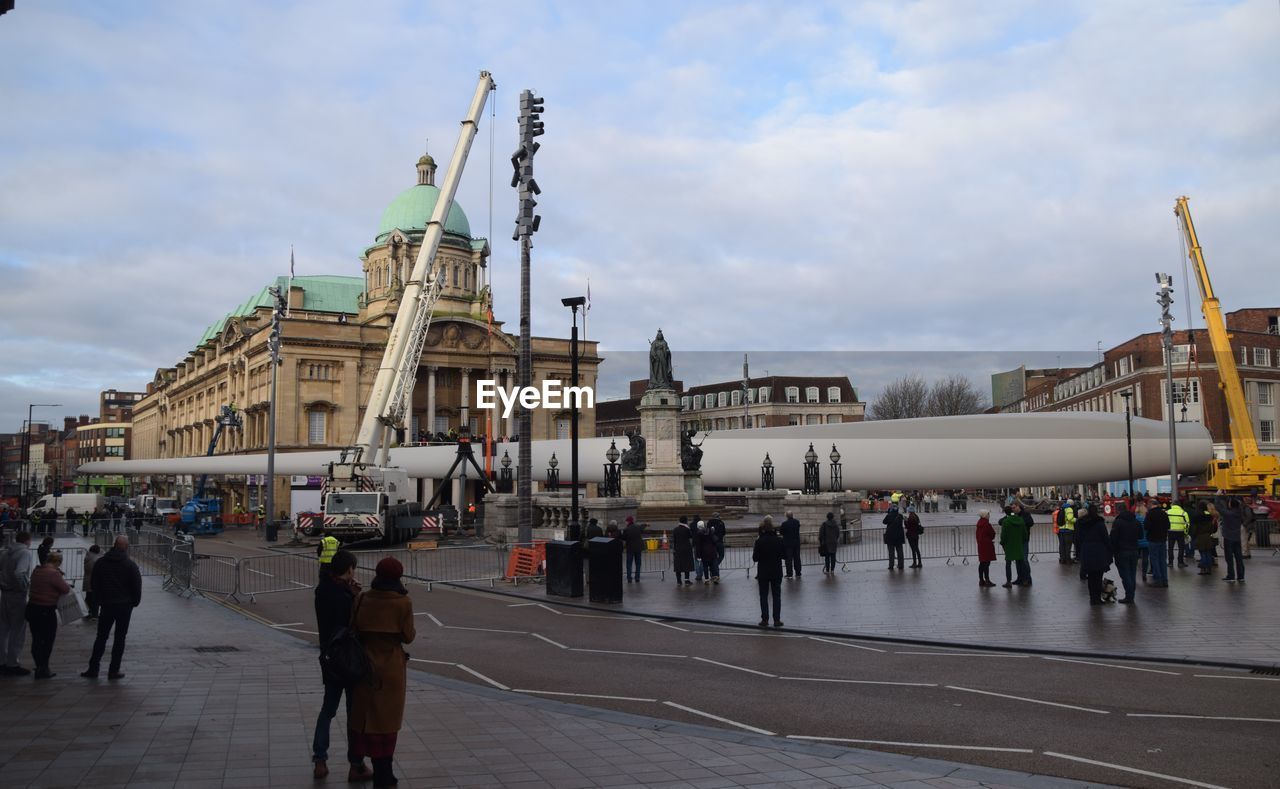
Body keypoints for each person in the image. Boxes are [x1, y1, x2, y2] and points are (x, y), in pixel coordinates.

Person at [349, 557, 416, 788]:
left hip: (365, 666)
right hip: (391, 668)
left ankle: (376, 771)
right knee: (387, 724)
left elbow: (353, 627)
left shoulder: (362, 598)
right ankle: (385, 774)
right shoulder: (403, 603)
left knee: (368, 722)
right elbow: (408, 636)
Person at [312, 550, 373, 782]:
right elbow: (354, 623)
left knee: (327, 710)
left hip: (329, 658)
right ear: (349, 570)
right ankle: (356, 764)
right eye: (353, 569)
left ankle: (320, 759)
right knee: (353, 714)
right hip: (348, 658)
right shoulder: (345, 596)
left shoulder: (322, 590)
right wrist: (355, 596)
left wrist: (349, 591)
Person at [81, 535, 142, 680]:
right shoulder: (130, 565)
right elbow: (136, 586)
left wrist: (99, 600)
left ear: (114, 545)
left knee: (101, 637)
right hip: (124, 606)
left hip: (107, 605)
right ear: (126, 547)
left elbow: (95, 583)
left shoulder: (101, 563)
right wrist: (134, 602)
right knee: (120, 638)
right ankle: (114, 670)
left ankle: (93, 668)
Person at [26, 549, 71, 679]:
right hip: (46, 610)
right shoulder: (53, 574)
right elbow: (65, 589)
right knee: (47, 640)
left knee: (36, 638)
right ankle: (43, 667)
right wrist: (59, 575)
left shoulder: (37, 570)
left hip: (32, 608)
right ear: (57, 562)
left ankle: (38, 664)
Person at [0, 531, 36, 676]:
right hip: (17, 595)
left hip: (5, 594)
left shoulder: (5, 553)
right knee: (18, 630)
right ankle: (13, 663)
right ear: (28, 540)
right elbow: (20, 572)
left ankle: (1, 660)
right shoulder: (24, 553)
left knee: (3, 629)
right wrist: (25, 587)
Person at [1075, 504, 1112, 605]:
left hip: (1087, 551)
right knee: (1098, 576)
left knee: (1090, 577)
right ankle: (1097, 598)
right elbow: (1105, 538)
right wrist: (1110, 551)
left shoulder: (1081, 523)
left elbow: (1078, 538)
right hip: (1099, 551)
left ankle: (1092, 598)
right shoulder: (1099, 523)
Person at [752, 517, 785, 628]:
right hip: (776, 571)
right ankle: (777, 619)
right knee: (776, 596)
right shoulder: (779, 540)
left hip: (763, 572)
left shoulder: (759, 541)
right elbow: (784, 556)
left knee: (763, 596)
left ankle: (765, 619)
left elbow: (755, 558)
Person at [1109, 502, 1141, 604]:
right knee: (1132, 573)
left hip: (1121, 551)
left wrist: (1112, 550)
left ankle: (1129, 595)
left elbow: (1113, 538)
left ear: (1118, 510)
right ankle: (1131, 595)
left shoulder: (1117, 522)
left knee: (1125, 574)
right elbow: (1140, 535)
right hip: (1134, 550)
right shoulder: (1135, 521)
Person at [1213, 496, 1245, 583]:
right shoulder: (1239, 512)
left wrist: (1217, 496)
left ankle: (1231, 576)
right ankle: (1241, 576)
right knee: (1239, 558)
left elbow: (1218, 507)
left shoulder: (1229, 514)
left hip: (1228, 537)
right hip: (1237, 538)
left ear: (1231, 504)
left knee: (1229, 558)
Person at [998, 507, 1029, 588]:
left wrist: (1002, 542)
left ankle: (1009, 582)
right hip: (1019, 544)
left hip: (1009, 545)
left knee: (1008, 564)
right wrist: (1023, 540)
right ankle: (1025, 580)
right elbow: (1025, 534)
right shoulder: (1020, 520)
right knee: (1022, 562)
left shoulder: (1006, 521)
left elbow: (1003, 534)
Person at [1143, 499, 1171, 588]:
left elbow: (1146, 526)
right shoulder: (1164, 513)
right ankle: (1165, 580)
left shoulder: (1150, 514)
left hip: (1153, 539)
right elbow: (1168, 526)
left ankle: (1158, 579)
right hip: (1162, 539)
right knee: (1162, 560)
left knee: (1154, 560)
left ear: (1151, 505)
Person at [1190, 501, 1216, 576]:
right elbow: (1212, 526)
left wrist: (1193, 535)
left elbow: (1194, 528)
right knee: (1208, 552)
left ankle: (1203, 568)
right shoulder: (1209, 515)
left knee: (1202, 553)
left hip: (1200, 536)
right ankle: (1209, 568)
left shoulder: (1196, 516)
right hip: (1208, 536)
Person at [778, 511, 802, 578]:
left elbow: (781, 532)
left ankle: (789, 574)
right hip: (796, 543)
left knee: (788, 559)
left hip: (788, 544)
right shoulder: (797, 522)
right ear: (792, 515)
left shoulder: (784, 524)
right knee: (797, 558)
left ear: (787, 516)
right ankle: (798, 573)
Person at [975, 510, 996, 587]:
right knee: (987, 563)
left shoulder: (979, 524)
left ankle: (981, 580)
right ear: (985, 515)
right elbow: (992, 534)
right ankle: (987, 580)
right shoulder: (987, 524)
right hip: (987, 545)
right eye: (988, 514)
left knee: (982, 563)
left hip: (981, 545)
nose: (989, 515)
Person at [1166, 500, 1190, 568]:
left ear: (1173, 504)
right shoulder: (1183, 513)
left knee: (1170, 548)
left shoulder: (1167, 512)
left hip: (1170, 532)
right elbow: (1187, 524)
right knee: (1181, 548)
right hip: (1180, 532)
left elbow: (1165, 522)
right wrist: (1186, 532)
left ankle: (1170, 562)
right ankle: (1180, 562)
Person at [882, 503, 906, 571]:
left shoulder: (889, 515)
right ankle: (901, 565)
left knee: (891, 552)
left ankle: (891, 565)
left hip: (890, 537)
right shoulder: (900, 516)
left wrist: (889, 513)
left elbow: (884, 522)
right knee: (900, 552)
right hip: (899, 537)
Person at [671, 517, 694, 585]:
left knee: (678, 565)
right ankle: (687, 580)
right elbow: (691, 536)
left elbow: (674, 540)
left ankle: (679, 581)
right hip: (686, 549)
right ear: (685, 521)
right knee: (687, 564)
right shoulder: (687, 529)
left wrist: (674, 548)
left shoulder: (675, 529)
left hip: (678, 549)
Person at [622, 516, 646, 582]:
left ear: (628, 521)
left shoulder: (626, 529)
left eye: (626, 521)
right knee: (638, 563)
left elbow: (624, 538)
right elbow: (642, 529)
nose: (625, 522)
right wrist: (645, 524)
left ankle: (629, 578)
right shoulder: (638, 527)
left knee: (629, 564)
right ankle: (637, 577)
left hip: (630, 548)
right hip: (638, 548)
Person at [83, 544, 102, 619]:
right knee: (95, 599)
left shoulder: (88, 556)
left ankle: (89, 612)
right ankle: (94, 614)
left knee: (89, 598)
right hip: (94, 582)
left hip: (87, 581)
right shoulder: (96, 559)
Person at [1056, 499, 1077, 563]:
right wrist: (1076, 519)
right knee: (1068, 546)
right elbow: (1070, 519)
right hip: (1068, 530)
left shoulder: (1062, 508)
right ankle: (1068, 560)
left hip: (1061, 529)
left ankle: (1063, 559)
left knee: (1062, 546)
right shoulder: (1069, 509)